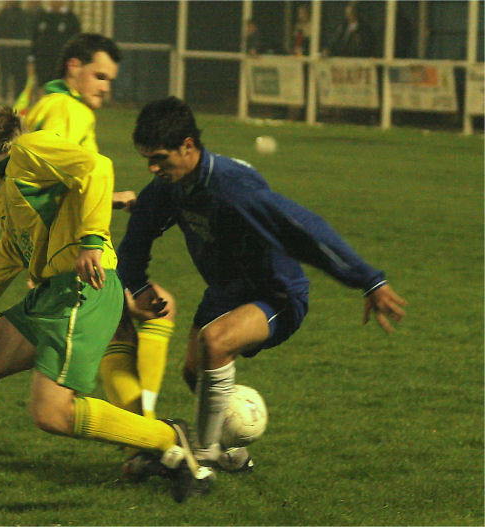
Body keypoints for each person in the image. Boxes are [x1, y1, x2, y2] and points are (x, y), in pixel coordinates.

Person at [0, 105, 208, 506]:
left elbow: (96, 167)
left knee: (51, 413)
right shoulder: (18, 212)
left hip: (82, 289)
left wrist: (89, 239)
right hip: (54, 293)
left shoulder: (25, 151)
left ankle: (169, 439)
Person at [117, 96, 407, 476]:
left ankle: (201, 460)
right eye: (148, 160)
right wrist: (136, 284)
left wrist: (368, 279)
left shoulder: (233, 187)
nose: (153, 168)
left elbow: (304, 229)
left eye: (159, 158)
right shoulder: (171, 185)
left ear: (188, 146)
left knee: (215, 342)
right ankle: (232, 454)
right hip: (224, 292)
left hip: (277, 293)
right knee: (194, 372)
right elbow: (139, 231)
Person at [0, 33, 177, 426]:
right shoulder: (68, 111)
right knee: (158, 309)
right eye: (100, 77)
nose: (106, 89)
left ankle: (149, 436)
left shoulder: (44, 106)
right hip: (80, 258)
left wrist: (108, 200)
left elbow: (32, 181)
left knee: (123, 331)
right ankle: (156, 434)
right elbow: (56, 178)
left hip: (57, 252)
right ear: (74, 68)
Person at [28, 1, 80, 96]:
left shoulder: (71, 18)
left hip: (61, 63)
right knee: (43, 88)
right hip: (43, 62)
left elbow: (76, 42)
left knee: (59, 89)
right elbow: (35, 39)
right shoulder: (42, 16)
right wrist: (31, 59)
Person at [0, 1, 28, 103]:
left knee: (18, 74)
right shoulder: (2, 14)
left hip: (18, 51)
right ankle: (3, 94)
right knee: (4, 73)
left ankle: (18, 95)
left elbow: (24, 31)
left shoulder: (22, 14)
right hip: (4, 50)